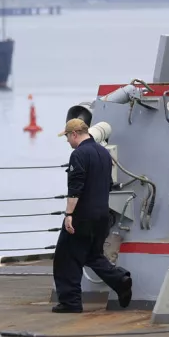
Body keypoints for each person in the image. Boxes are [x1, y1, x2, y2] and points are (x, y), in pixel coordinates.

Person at [52, 118, 133, 313]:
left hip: (82, 216)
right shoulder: (103, 153)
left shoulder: (79, 154)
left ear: (74, 134)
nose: (67, 142)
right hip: (102, 215)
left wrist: (69, 214)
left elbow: (75, 187)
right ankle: (120, 280)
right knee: (92, 255)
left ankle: (70, 302)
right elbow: (107, 184)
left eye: (67, 138)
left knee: (66, 257)